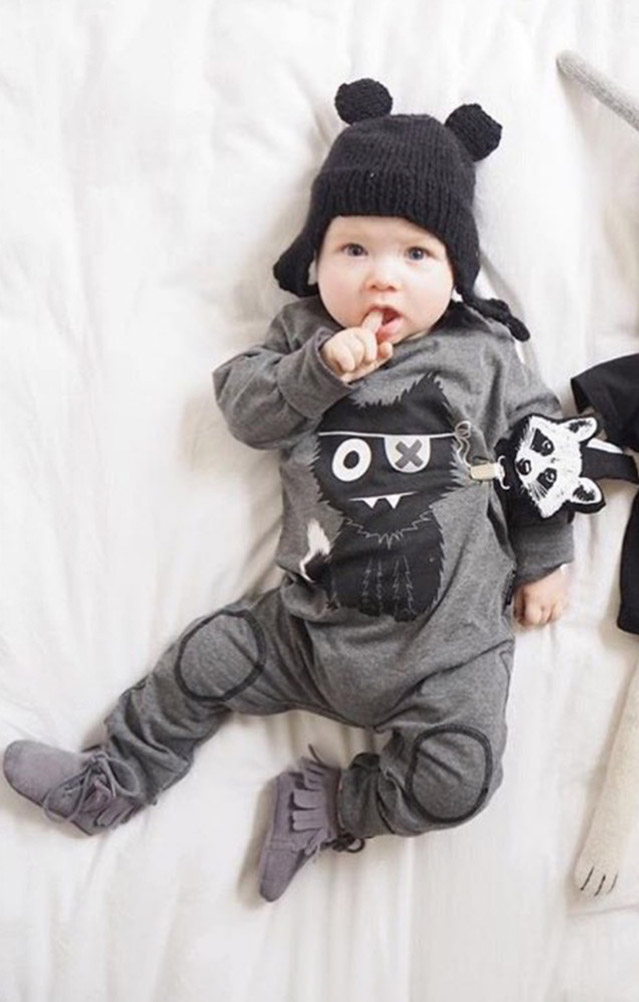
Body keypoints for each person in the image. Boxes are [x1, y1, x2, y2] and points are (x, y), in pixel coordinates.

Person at [3, 78, 573, 902]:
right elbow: (244, 410)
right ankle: (116, 778)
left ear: (457, 271)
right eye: (355, 251)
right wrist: (318, 370)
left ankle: (330, 807)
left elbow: (539, 450)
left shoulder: (481, 352)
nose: (383, 279)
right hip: (306, 631)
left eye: (416, 256)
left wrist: (546, 556)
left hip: (447, 654)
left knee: (461, 780)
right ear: (315, 257)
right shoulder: (302, 336)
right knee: (203, 661)